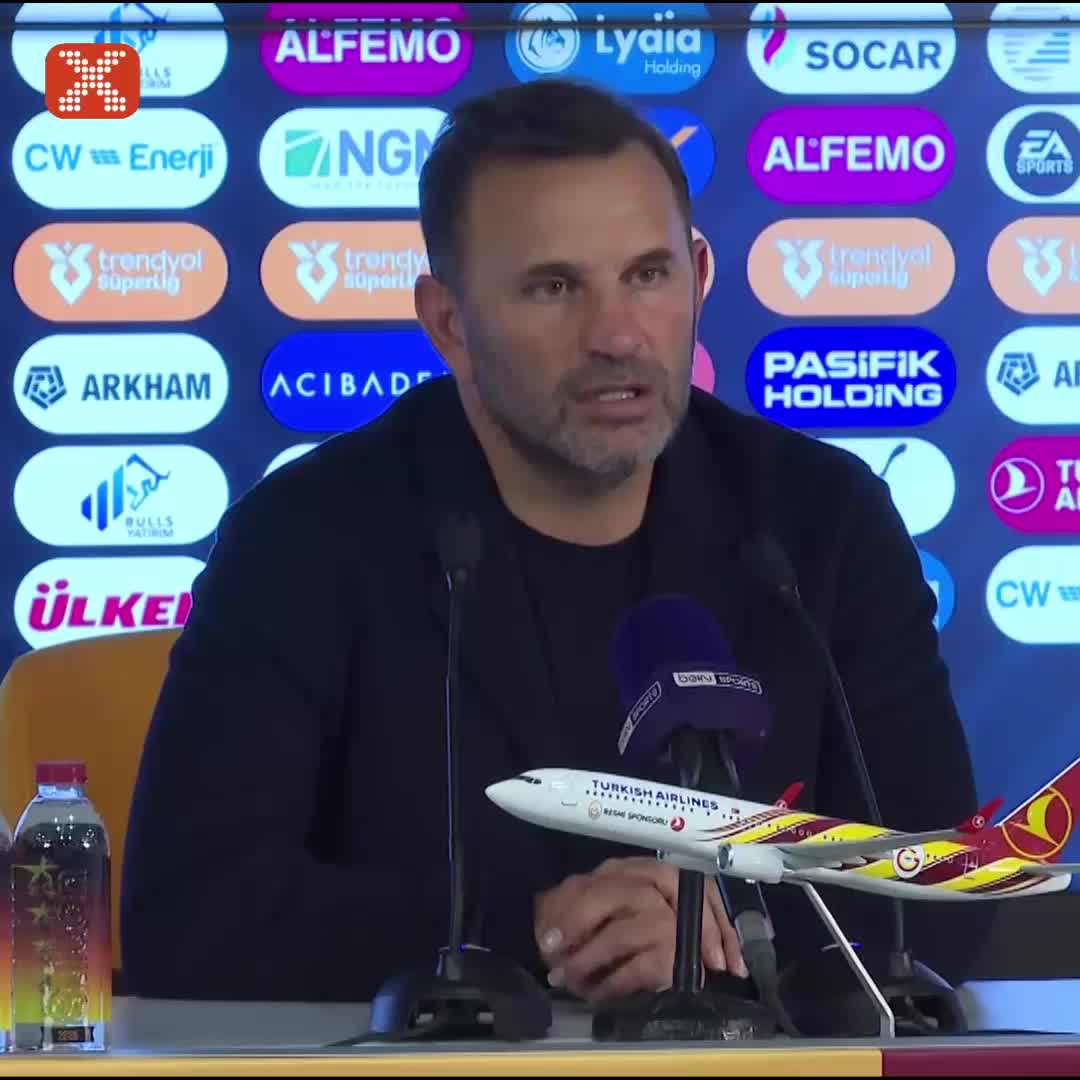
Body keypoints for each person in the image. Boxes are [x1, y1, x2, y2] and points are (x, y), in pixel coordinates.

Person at [120, 78, 988, 1005]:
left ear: (698, 276)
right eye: (554, 287)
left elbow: (942, 884)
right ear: (448, 322)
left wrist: (707, 938)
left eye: (647, 275)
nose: (617, 336)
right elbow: (190, 913)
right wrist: (532, 932)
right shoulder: (304, 537)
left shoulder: (820, 523)